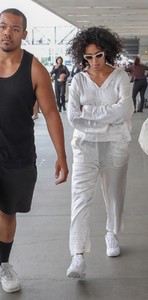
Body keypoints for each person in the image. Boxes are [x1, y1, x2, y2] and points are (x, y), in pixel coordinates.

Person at [0, 8, 69, 293]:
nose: (7, 32)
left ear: (24, 34)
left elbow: (52, 113)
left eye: (15, 29)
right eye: (3, 26)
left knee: (7, 212)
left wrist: (62, 156)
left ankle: (3, 265)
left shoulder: (35, 69)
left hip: (17, 155)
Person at [66, 26, 134, 278]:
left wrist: (90, 112)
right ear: (81, 57)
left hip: (116, 145)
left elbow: (124, 112)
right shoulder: (78, 81)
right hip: (84, 147)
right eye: (88, 57)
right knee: (80, 199)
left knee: (114, 196)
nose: (94, 62)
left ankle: (111, 234)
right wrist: (108, 116)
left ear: (108, 53)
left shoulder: (120, 78)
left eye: (98, 55)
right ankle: (77, 255)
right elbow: (74, 117)